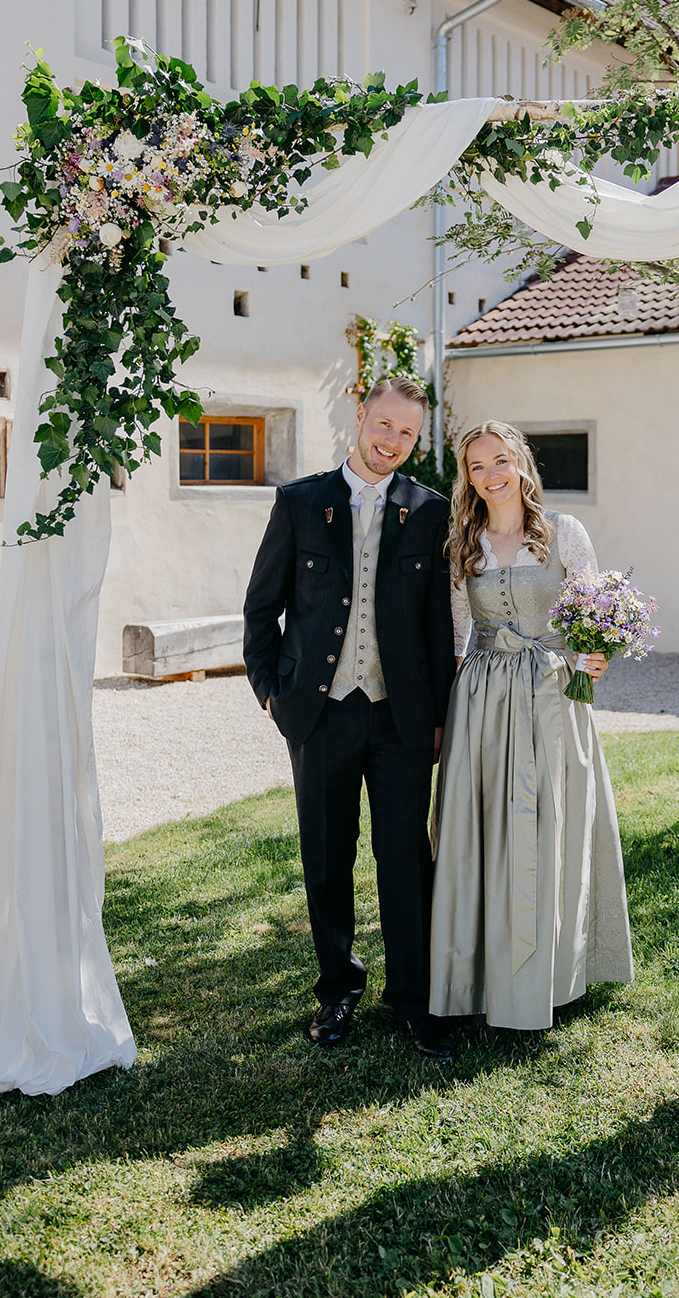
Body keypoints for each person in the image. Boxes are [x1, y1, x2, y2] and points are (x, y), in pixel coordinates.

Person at [244, 377, 457, 1061]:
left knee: (403, 860)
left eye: (406, 434)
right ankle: (337, 989)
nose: (391, 441)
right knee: (325, 861)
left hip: (400, 720)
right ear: (359, 417)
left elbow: (434, 628)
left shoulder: (429, 511)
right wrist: (272, 693)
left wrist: (439, 717)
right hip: (318, 715)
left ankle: (414, 1001)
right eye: (383, 425)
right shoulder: (300, 503)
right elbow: (260, 608)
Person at [429, 420, 633, 1030]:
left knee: (553, 820)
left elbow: (595, 611)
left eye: (499, 461)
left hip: (551, 693)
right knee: (484, 826)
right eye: (476, 467)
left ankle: (556, 968)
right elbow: (459, 630)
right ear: (467, 478)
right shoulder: (464, 544)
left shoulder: (563, 533)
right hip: (483, 701)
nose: (490, 476)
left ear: (520, 463)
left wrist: (597, 655)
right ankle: (480, 970)